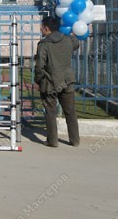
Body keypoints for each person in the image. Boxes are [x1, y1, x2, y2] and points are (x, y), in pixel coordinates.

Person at [34, 16, 80, 147]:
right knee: (70, 111)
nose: (41, 29)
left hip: (50, 82)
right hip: (67, 81)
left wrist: (39, 79)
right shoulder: (67, 40)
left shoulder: (44, 44)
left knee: (50, 112)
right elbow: (76, 43)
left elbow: (40, 66)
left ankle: (52, 140)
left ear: (46, 28)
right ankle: (75, 140)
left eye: (42, 27)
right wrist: (73, 35)